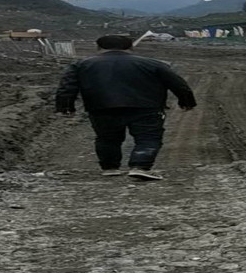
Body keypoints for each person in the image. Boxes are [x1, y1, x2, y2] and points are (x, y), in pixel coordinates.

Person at [55, 35, 196, 181]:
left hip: (101, 107)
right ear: (131, 47)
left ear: (98, 47)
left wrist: (66, 106)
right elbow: (178, 83)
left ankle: (110, 168)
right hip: (146, 107)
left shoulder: (81, 65)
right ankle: (140, 166)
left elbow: (67, 87)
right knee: (148, 137)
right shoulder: (153, 64)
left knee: (107, 138)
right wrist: (186, 101)